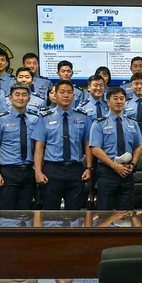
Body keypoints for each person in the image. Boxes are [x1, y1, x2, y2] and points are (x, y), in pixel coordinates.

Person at [33, 80, 93, 210]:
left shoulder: (83, 117)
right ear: (55, 95)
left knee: (75, 213)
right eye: (62, 92)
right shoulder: (44, 118)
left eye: (69, 92)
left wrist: (89, 168)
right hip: (52, 169)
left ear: (74, 96)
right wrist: (38, 171)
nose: (66, 95)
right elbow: (39, 148)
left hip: (75, 170)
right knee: (50, 213)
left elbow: (88, 144)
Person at [90, 87, 142, 210]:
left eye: (122, 98)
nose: (119, 101)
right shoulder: (99, 123)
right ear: (108, 101)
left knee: (127, 214)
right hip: (107, 172)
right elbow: (95, 149)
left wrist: (132, 164)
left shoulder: (132, 123)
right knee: (105, 213)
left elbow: (138, 146)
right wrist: (114, 166)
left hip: (127, 172)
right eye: (115, 98)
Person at [0, 84, 40, 210]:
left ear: (29, 98)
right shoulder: (0, 119)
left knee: (26, 212)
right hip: (8, 172)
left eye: (24, 95)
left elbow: (39, 147)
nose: (20, 98)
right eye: (17, 95)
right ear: (10, 98)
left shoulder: (36, 119)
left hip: (28, 172)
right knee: (7, 212)